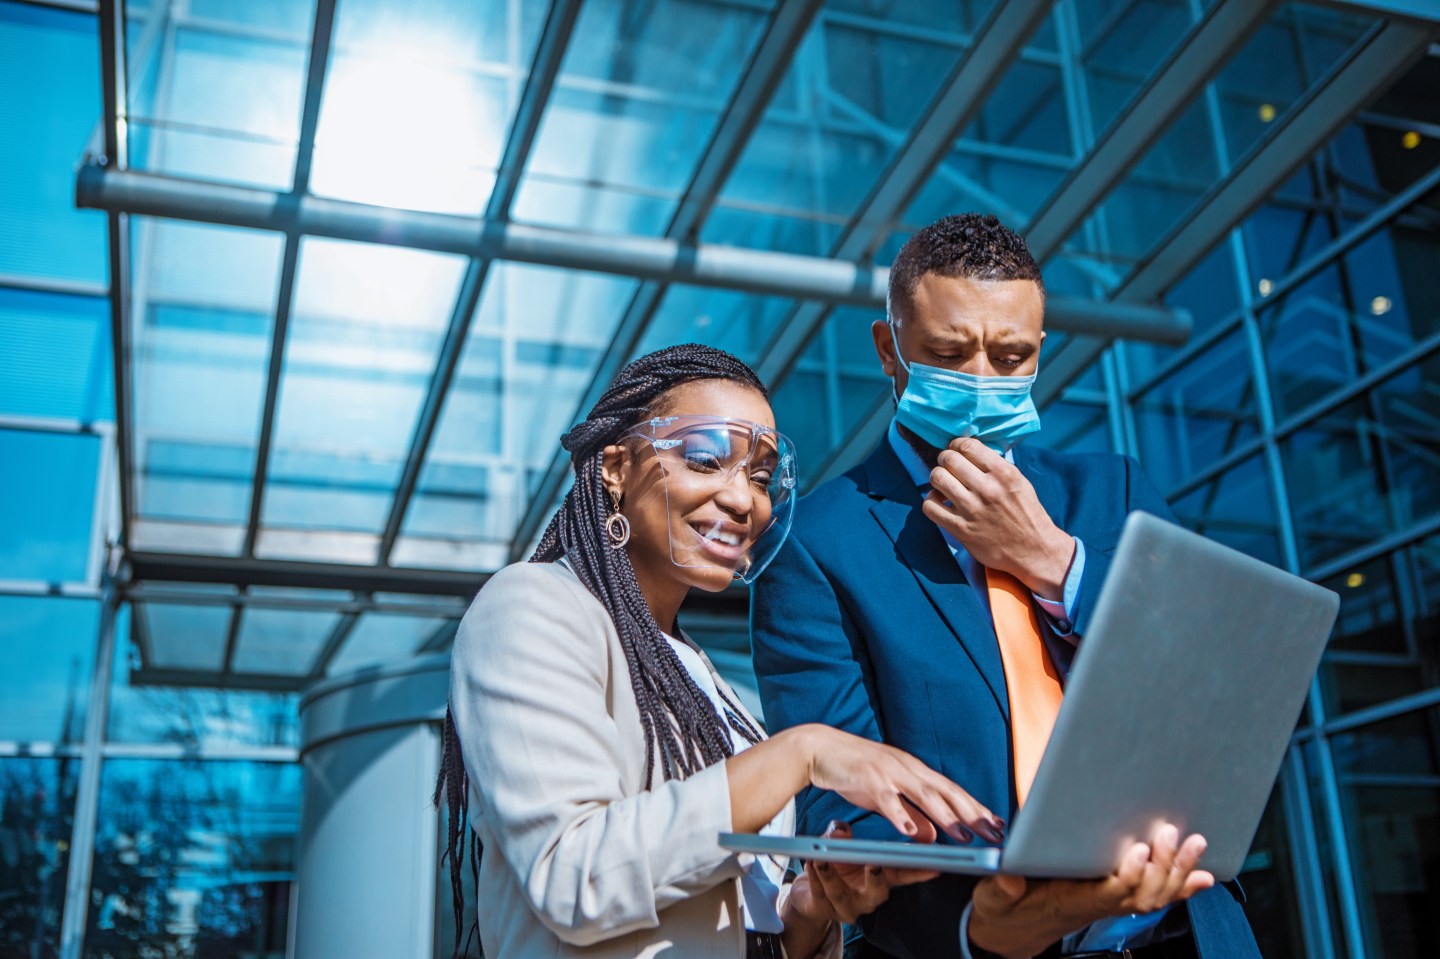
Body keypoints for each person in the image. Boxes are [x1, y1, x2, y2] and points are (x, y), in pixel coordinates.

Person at [750, 215, 1262, 959]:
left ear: (1039, 354)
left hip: (1181, 936)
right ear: (889, 350)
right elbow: (840, 794)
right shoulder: (819, 543)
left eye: (1011, 354)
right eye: (950, 353)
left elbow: (1217, 687)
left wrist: (1053, 560)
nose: (983, 380)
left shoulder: (1115, 493)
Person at [436, 344, 1004, 959]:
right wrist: (802, 753)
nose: (743, 500)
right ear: (616, 467)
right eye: (706, 459)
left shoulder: (703, 677)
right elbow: (573, 876)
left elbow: (733, 923)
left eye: (761, 477)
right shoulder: (531, 605)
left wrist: (809, 909)